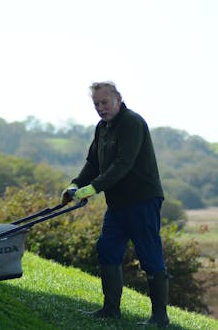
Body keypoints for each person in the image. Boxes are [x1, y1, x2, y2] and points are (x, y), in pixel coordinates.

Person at [61, 81, 169, 328]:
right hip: (117, 204)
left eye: (105, 102)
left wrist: (94, 188)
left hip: (143, 200)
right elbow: (93, 163)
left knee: (149, 255)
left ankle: (160, 317)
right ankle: (111, 310)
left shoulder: (132, 122)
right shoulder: (102, 128)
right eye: (96, 104)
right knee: (106, 249)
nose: (101, 108)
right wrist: (75, 185)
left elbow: (123, 163)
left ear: (118, 99)